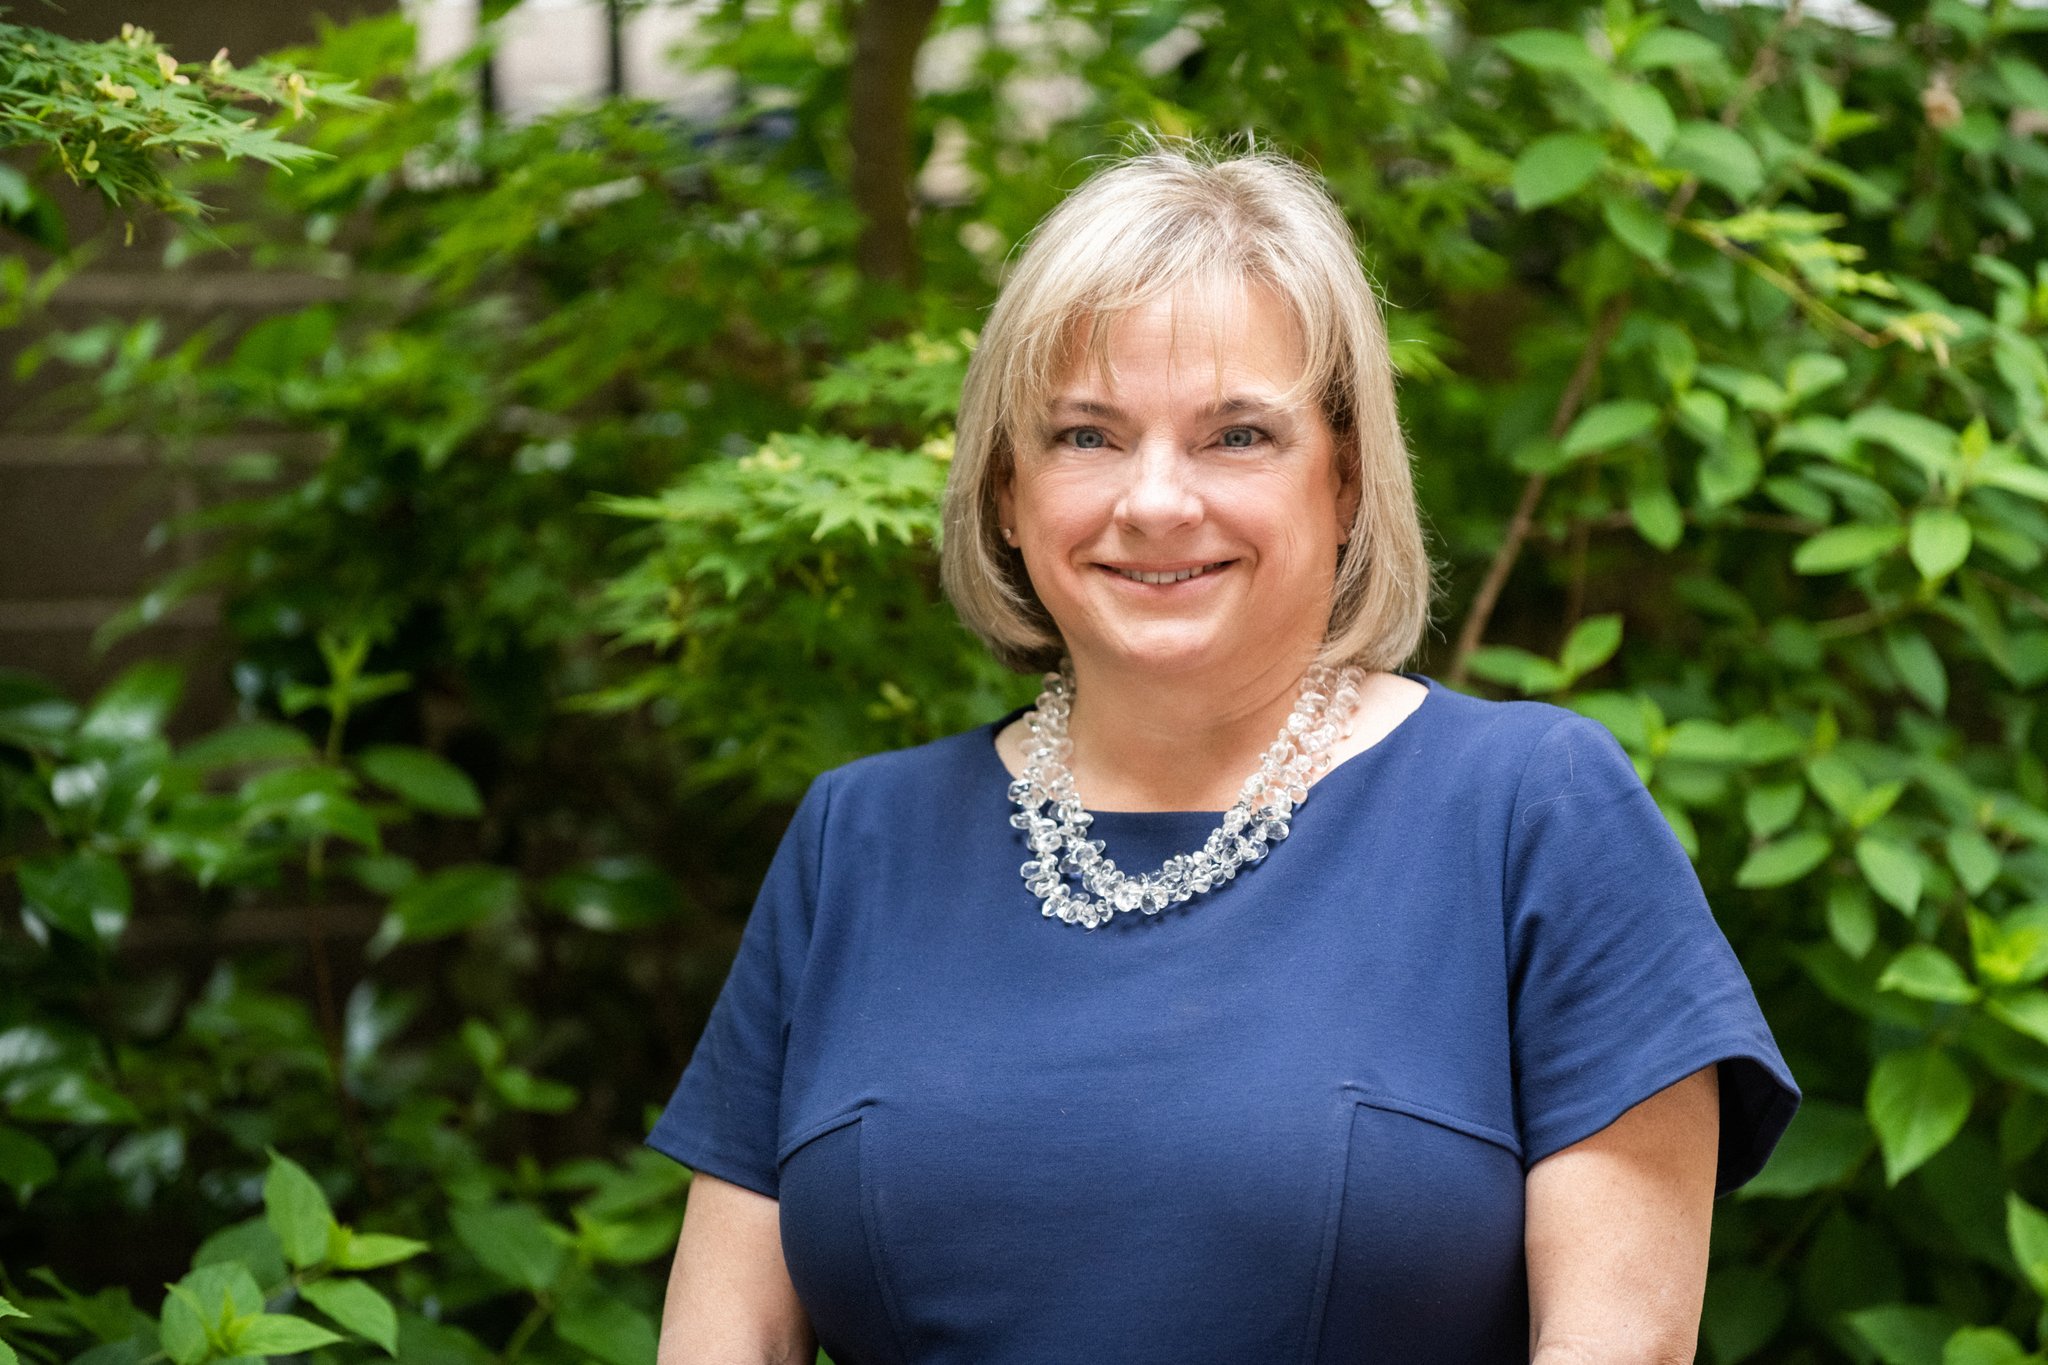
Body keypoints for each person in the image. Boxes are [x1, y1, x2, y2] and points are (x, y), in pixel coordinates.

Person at [646, 139, 1798, 1364]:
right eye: (1085, 436)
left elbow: (1618, 1344)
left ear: (1345, 478)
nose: (1153, 501)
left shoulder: (1528, 813)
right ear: (1002, 489)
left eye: (1234, 435)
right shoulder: (856, 841)